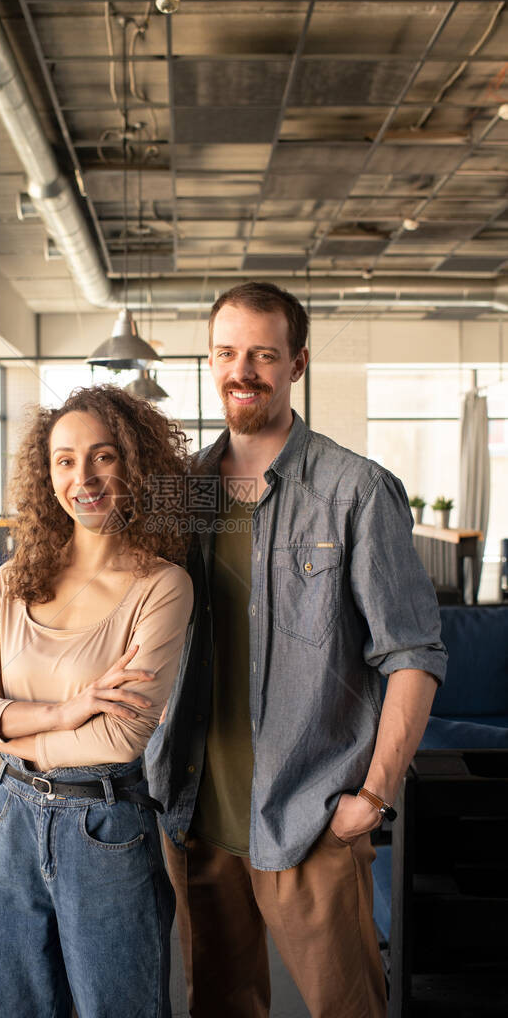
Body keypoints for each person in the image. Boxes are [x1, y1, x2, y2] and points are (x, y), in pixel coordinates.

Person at [145, 282, 448, 1018]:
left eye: (262, 354)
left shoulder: (355, 490)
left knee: (345, 1008)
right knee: (218, 1005)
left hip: (310, 813)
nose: (241, 370)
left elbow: (412, 654)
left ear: (296, 363)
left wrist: (370, 797)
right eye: (225, 352)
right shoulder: (182, 493)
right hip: (193, 813)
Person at [0, 384, 193, 1018]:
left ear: (135, 467)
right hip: (5, 817)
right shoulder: (14, 579)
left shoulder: (161, 586)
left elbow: (121, 736)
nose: (86, 478)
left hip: (103, 825)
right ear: (48, 476)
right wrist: (59, 713)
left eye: (104, 457)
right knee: (6, 1007)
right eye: (66, 460)